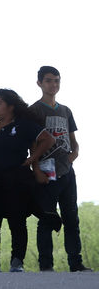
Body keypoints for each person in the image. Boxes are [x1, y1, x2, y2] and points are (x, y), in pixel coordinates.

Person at [0, 88, 54, 272]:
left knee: (17, 221)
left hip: (17, 180)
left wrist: (32, 158)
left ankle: (17, 261)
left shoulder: (24, 125)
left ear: (11, 106)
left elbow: (48, 139)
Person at [29, 66, 92, 272]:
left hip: (67, 171)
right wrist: (36, 168)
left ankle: (76, 263)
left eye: (56, 80)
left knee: (71, 217)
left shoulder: (66, 110)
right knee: (47, 216)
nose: (53, 84)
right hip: (47, 170)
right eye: (48, 80)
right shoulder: (34, 111)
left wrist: (73, 155)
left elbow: (73, 140)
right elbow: (31, 143)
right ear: (39, 83)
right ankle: (46, 266)